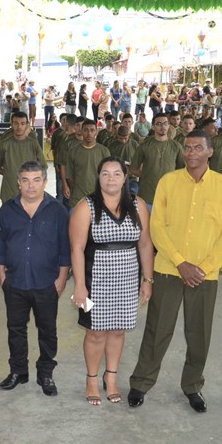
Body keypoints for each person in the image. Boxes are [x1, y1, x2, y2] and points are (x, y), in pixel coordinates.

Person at [128, 130, 222, 413]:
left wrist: (205, 267)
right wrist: (180, 262)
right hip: (168, 270)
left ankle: (192, 386)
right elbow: (156, 227)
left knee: (199, 334)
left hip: (205, 274)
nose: (191, 153)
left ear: (210, 152)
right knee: (157, 330)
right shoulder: (168, 182)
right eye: (187, 148)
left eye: (198, 148)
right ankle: (141, 382)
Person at [70, 157, 155, 405]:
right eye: (105, 174)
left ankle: (112, 378)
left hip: (128, 279)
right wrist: (79, 286)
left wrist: (147, 279)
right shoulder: (86, 207)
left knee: (118, 330)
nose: (111, 179)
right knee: (95, 333)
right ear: (98, 178)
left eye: (116, 174)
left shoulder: (138, 205)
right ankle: (92, 380)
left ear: (125, 177)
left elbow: (145, 244)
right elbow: (76, 248)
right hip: (95, 279)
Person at [0, 161, 70, 396]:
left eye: (36, 180)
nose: (31, 186)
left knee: (47, 330)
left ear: (45, 182)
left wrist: (60, 281)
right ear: (18, 182)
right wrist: (2, 278)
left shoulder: (57, 210)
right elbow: (1, 247)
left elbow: (65, 250)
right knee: (15, 329)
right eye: (25, 180)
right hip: (14, 282)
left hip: (46, 282)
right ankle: (18, 371)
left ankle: (45, 372)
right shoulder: (7, 210)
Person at [0, 112, 47, 203]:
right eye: (16, 123)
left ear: (27, 125)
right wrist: (10, 173)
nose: (19, 127)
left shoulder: (33, 144)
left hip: (30, 192)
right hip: (9, 193)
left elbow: (43, 166)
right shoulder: (4, 144)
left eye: (22, 123)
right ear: (11, 124)